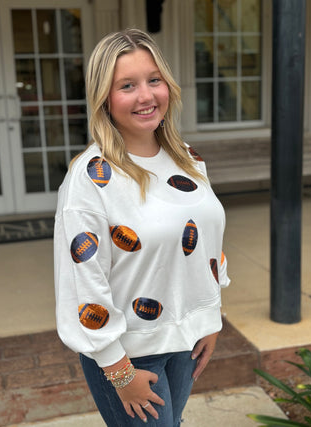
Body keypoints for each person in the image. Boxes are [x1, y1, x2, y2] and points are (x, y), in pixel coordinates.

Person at [54, 28, 230, 427]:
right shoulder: (91, 177)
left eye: (154, 80)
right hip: (129, 351)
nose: (146, 95)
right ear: (105, 99)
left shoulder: (187, 159)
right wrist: (118, 370)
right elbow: (83, 281)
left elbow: (207, 243)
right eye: (127, 85)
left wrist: (209, 315)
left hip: (185, 341)